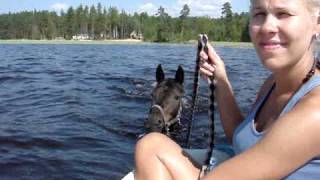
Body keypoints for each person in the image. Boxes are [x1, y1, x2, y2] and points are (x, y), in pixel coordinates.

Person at [134, 0, 320, 179]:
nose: (266, 26)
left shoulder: (315, 111)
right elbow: (238, 139)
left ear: (317, 23)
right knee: (150, 145)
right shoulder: (271, 84)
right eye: (259, 14)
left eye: (284, 14)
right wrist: (220, 81)